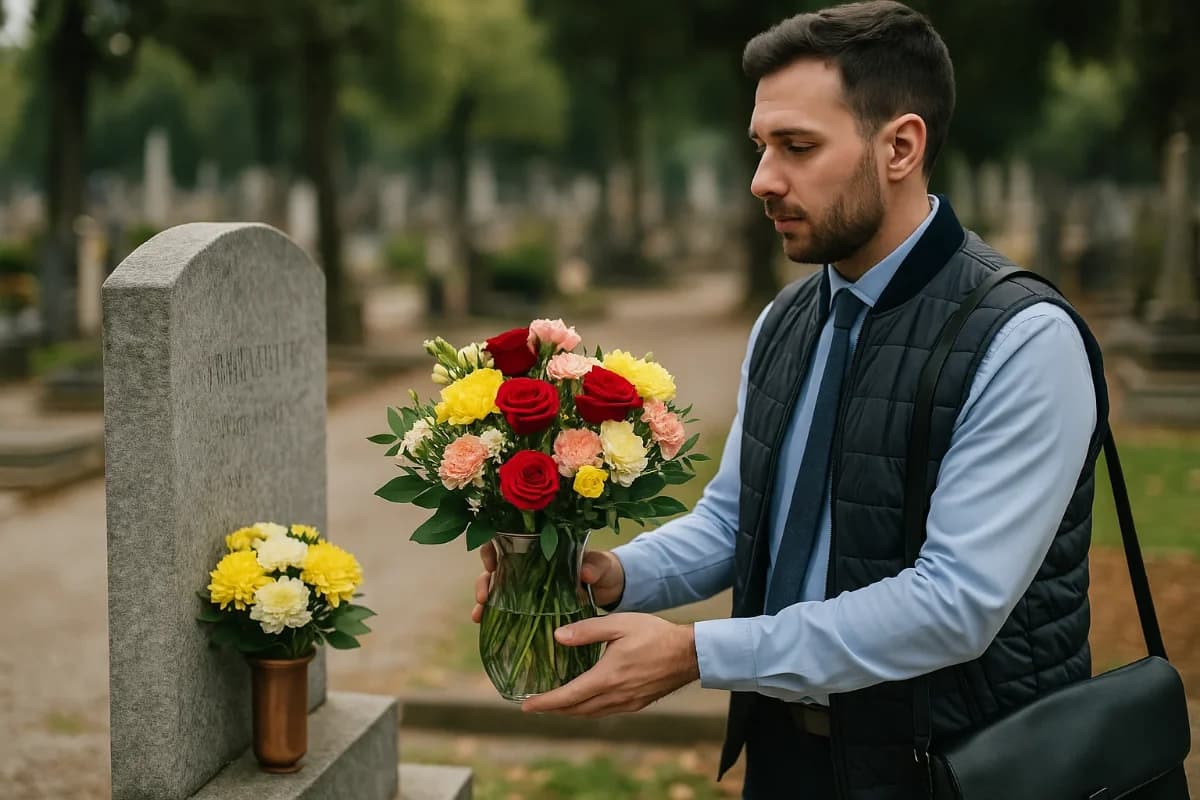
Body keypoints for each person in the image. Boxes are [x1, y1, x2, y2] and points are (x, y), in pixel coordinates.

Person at [471, 2, 1109, 797]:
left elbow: (955, 603)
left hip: (960, 770)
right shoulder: (788, 319)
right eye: (761, 145)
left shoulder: (1023, 339)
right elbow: (737, 523)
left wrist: (698, 652)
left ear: (901, 146)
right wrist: (608, 575)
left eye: (798, 147)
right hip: (785, 760)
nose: (762, 180)